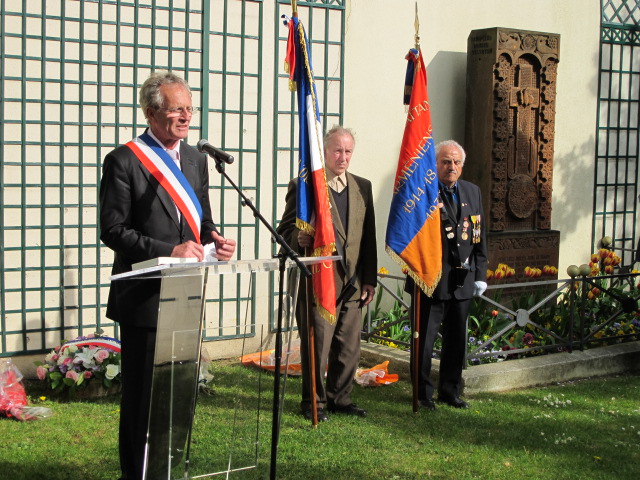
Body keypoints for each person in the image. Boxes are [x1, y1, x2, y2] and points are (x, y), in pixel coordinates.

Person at [99, 71, 236, 480]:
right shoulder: (124, 160)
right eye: (177, 109)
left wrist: (216, 240)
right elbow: (113, 230)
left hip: (187, 296)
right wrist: (167, 251)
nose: (186, 117)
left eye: (189, 109)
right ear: (151, 111)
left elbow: (202, 219)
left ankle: (168, 469)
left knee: (177, 399)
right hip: (144, 298)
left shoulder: (195, 159)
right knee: (142, 399)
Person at [277, 126, 377, 420]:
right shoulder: (306, 187)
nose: (343, 157)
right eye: (337, 150)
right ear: (324, 152)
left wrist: (369, 279)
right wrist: (299, 238)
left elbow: (367, 236)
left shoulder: (363, 186)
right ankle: (314, 403)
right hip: (319, 284)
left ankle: (340, 398)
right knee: (317, 347)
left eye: (348, 151)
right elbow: (283, 231)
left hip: (353, 282)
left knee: (348, 348)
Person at [413, 140, 487, 411]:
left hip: (463, 280)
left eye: (456, 162)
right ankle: (422, 394)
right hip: (431, 278)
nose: (451, 167)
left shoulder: (472, 191)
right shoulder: (422, 193)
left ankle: (450, 391)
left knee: (457, 341)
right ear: (436, 165)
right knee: (425, 343)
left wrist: (480, 273)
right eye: (445, 161)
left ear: (462, 166)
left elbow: (478, 235)